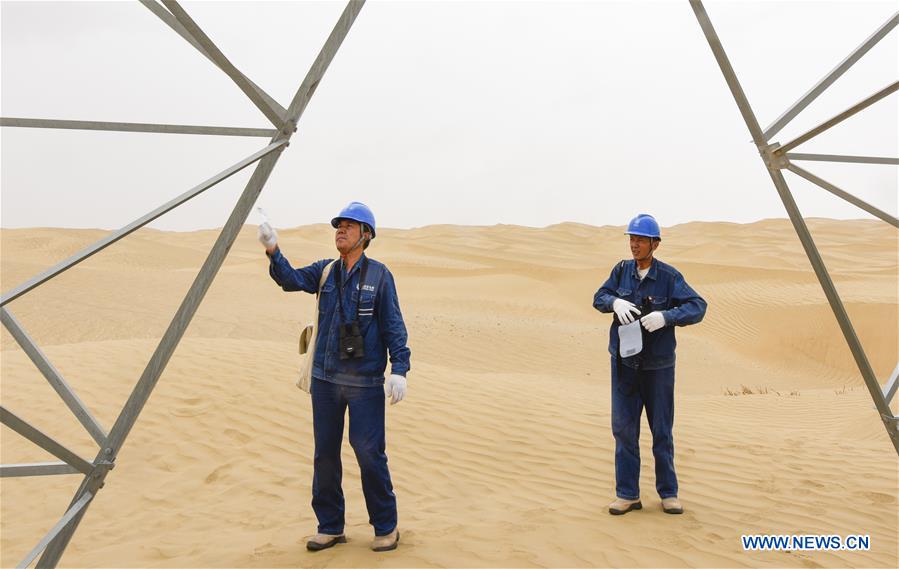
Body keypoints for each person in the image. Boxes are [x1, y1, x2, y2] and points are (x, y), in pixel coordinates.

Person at [258, 201, 410, 552]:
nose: (340, 230)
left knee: (369, 452)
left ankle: (386, 526)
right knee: (324, 453)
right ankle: (330, 526)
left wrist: (400, 369)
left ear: (366, 235)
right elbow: (291, 280)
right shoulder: (325, 271)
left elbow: (394, 326)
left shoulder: (380, 276)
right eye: (338, 225)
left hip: (365, 383)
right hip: (326, 380)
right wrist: (273, 248)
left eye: (349, 225)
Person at [593, 213, 706, 516]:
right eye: (632, 239)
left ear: (655, 244)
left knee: (662, 431)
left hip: (658, 368)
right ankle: (627, 494)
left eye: (641, 240)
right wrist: (614, 302)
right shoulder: (621, 271)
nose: (634, 245)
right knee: (624, 430)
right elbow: (599, 297)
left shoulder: (669, 277)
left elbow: (698, 306)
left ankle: (668, 493)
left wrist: (667, 317)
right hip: (625, 365)